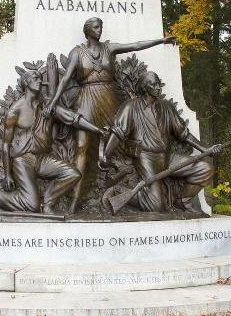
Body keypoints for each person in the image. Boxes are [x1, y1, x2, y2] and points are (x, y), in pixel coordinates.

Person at [43, 17, 176, 213]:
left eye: (101, 27)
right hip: (87, 100)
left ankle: (126, 191)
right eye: (96, 27)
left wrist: (161, 40)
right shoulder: (77, 53)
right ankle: (74, 202)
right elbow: (65, 81)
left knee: (118, 142)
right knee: (82, 148)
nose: (100, 30)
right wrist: (53, 103)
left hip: (110, 100)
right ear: (88, 30)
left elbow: (136, 45)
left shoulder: (109, 48)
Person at [0, 60, 106, 214]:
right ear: (26, 83)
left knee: (73, 174)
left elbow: (73, 118)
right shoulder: (15, 110)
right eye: (35, 78)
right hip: (23, 159)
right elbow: (5, 144)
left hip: (42, 159)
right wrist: (7, 175)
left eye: (39, 78)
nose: (40, 81)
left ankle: (49, 202)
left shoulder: (47, 105)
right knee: (31, 206)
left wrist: (98, 130)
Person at [101, 71, 221, 212]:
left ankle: (183, 200)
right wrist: (105, 155)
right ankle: (118, 191)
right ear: (145, 87)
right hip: (146, 158)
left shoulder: (167, 107)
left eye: (159, 84)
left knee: (205, 169)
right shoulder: (131, 107)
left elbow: (184, 134)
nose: (158, 87)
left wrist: (205, 149)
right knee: (156, 206)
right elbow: (118, 133)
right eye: (154, 84)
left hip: (167, 157)